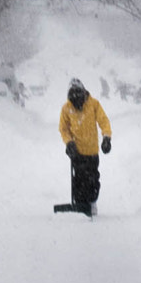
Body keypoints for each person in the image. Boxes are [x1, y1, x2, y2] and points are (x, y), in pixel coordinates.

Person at [58, 76, 112, 215]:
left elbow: (103, 121)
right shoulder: (66, 108)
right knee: (79, 180)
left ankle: (91, 202)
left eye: (78, 94)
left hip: (92, 152)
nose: (76, 99)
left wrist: (106, 137)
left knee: (93, 179)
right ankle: (81, 205)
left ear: (83, 92)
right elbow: (63, 128)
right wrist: (69, 142)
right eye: (73, 95)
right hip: (77, 152)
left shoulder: (94, 104)